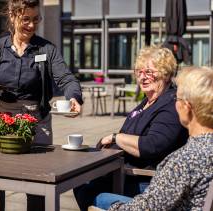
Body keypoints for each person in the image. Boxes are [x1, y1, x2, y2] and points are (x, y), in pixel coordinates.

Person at [74, 45, 189, 210]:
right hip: (124, 173)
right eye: (139, 72)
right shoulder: (147, 102)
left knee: (91, 193)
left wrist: (115, 138)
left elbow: (152, 145)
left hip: (149, 182)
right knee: (80, 181)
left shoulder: (171, 103)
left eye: (149, 72)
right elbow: (127, 133)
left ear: (166, 73)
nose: (142, 77)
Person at [93, 67, 213, 210]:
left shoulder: (183, 161)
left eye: (177, 98)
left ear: (186, 108)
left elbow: (147, 208)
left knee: (98, 197)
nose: (175, 103)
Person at [0, 0, 83, 145]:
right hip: (2, 119)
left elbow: (66, 78)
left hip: (37, 120)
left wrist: (74, 97)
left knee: (37, 166)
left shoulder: (47, 49)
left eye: (36, 19)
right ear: (12, 16)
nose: (32, 25)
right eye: (26, 19)